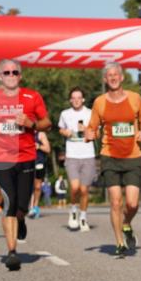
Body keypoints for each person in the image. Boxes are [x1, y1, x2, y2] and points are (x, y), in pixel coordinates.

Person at [0, 59, 50, 271]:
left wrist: (31, 124)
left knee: (21, 206)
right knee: (8, 203)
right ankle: (12, 252)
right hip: (2, 159)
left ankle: (21, 218)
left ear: (20, 75)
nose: (11, 75)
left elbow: (47, 123)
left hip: (26, 157)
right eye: (6, 73)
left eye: (14, 72)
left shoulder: (32, 96)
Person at [85, 62, 141, 258]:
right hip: (110, 156)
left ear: (122, 77)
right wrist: (90, 134)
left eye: (116, 74)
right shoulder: (100, 102)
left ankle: (126, 223)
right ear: (105, 79)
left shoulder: (135, 98)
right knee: (115, 202)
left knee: (132, 204)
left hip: (133, 156)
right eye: (109, 75)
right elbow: (92, 127)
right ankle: (120, 242)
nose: (113, 78)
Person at [58, 87, 96, 231]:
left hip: (88, 155)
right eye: (73, 98)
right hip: (72, 155)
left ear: (83, 99)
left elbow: (96, 131)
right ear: (70, 100)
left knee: (84, 190)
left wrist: (86, 129)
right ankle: (73, 210)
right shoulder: (65, 114)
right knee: (74, 188)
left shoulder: (91, 113)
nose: (76, 100)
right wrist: (65, 132)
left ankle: (83, 218)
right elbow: (60, 129)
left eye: (79, 97)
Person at [28, 131, 52, 218]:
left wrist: (39, 146)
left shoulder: (41, 134)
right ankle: (31, 207)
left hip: (39, 163)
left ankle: (35, 206)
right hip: (27, 163)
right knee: (29, 186)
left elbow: (48, 149)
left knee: (37, 187)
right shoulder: (24, 133)